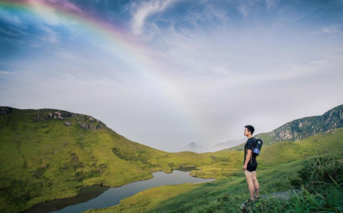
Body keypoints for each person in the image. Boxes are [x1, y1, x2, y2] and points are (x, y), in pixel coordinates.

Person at [243, 125, 260, 205]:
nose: (244, 131)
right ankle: (257, 196)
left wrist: (245, 164)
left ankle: (252, 199)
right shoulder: (255, 140)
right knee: (254, 179)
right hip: (254, 163)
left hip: (249, 164)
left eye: (245, 130)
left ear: (249, 132)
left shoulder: (250, 140)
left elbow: (249, 153)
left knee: (250, 181)